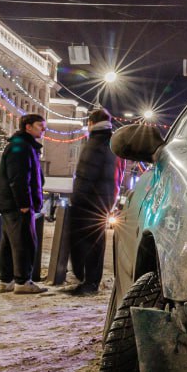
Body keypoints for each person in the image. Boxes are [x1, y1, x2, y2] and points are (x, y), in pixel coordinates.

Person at [64, 108, 119, 296]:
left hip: (88, 200)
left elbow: (86, 174)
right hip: (102, 200)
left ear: (90, 123)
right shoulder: (111, 141)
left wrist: (77, 198)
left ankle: (88, 282)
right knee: (95, 241)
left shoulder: (95, 142)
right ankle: (89, 280)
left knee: (85, 241)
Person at [0, 114, 48, 295]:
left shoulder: (22, 146)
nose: (43, 129)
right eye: (40, 125)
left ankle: (7, 280)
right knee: (24, 242)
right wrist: (25, 203)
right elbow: (18, 177)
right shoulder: (22, 147)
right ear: (28, 126)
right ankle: (22, 281)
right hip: (18, 205)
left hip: (10, 203)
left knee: (10, 242)